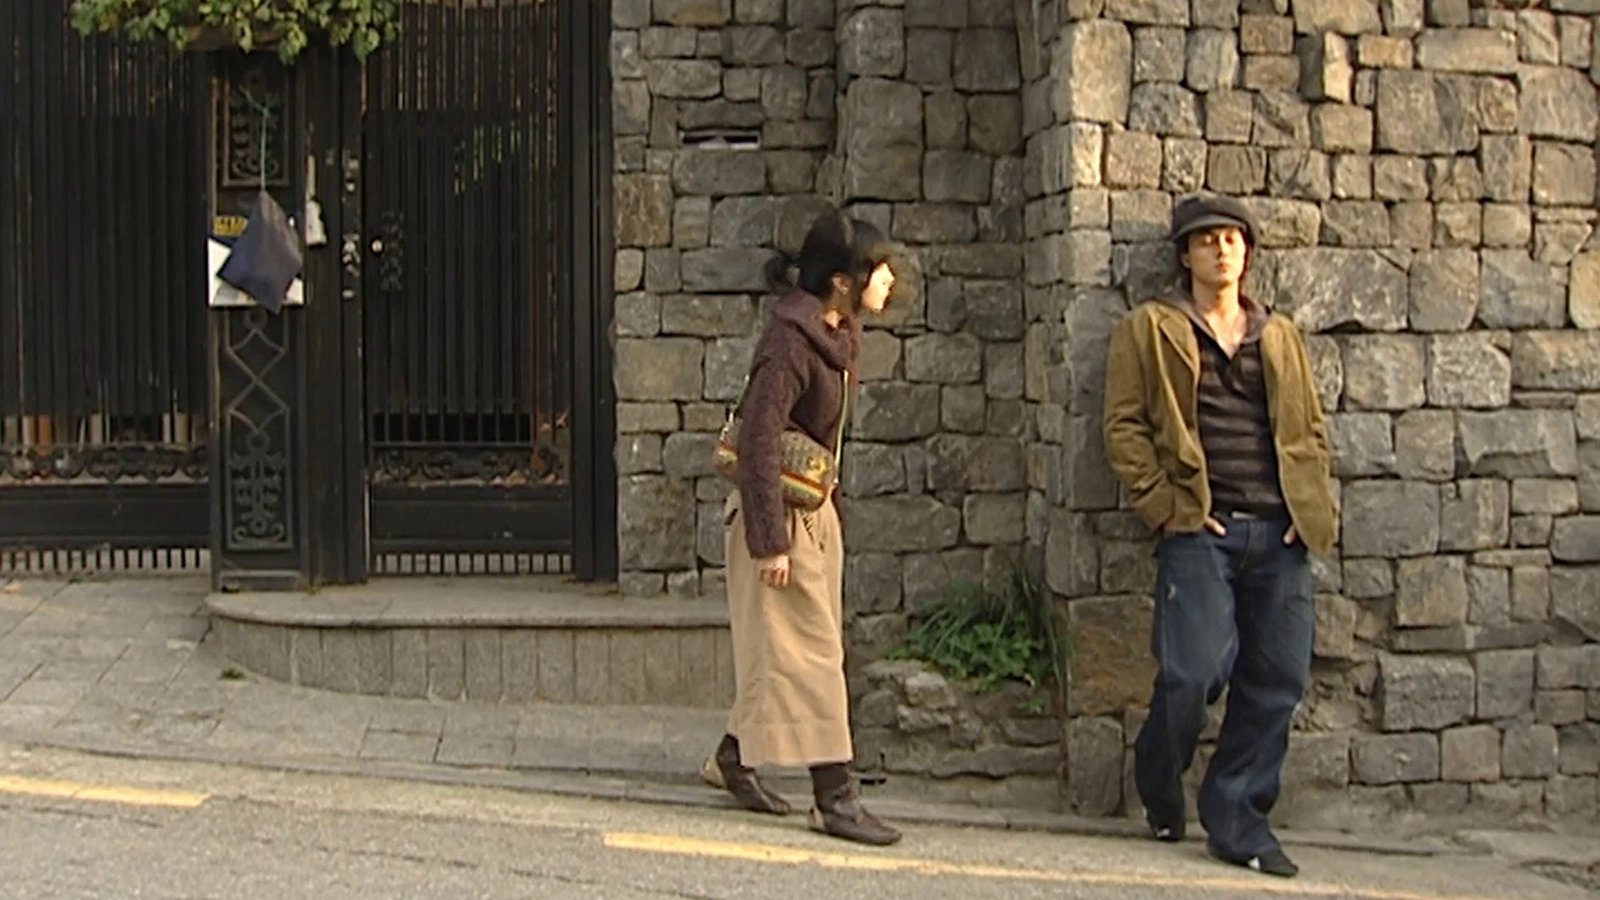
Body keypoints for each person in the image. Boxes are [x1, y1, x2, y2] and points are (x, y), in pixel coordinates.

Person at [1101, 194, 1338, 879]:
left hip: (1281, 533)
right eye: (1206, 240)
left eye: (1233, 239)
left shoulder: (1278, 336)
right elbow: (1123, 426)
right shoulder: (1151, 327)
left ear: (1248, 253)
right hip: (1201, 528)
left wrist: (1308, 507)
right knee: (1194, 671)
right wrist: (1166, 507)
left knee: (1278, 679)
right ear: (1185, 254)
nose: (1221, 249)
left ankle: (1237, 821)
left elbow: (1309, 429)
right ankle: (1159, 777)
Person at [708, 210, 902, 846]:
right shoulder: (790, 343)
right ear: (843, 281)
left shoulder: (836, 332)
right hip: (780, 520)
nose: (889, 280)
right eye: (878, 269)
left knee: (788, 651)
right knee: (814, 657)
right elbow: (759, 439)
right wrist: (770, 542)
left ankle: (734, 756)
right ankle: (834, 798)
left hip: (812, 516)